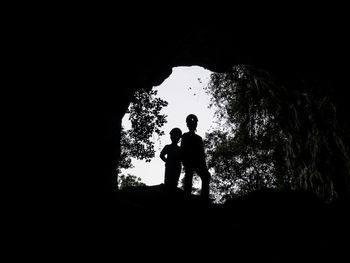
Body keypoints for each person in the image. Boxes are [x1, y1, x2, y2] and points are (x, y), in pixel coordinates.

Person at [181, 114, 211, 201]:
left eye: (194, 123)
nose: (193, 125)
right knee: (189, 177)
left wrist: (204, 166)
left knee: (206, 176)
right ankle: (187, 196)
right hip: (189, 161)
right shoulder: (185, 136)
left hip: (198, 162)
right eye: (191, 123)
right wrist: (184, 161)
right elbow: (183, 150)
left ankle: (204, 198)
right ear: (188, 124)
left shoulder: (198, 138)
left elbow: (201, 153)